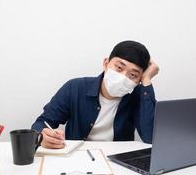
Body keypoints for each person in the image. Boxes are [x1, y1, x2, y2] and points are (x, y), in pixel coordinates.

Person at [31, 40, 159, 149]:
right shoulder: (75, 87)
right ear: (105, 64)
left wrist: (147, 80)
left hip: (118, 162)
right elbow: (43, 121)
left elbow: (150, 137)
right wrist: (41, 136)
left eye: (133, 75)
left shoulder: (137, 97)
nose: (122, 77)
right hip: (76, 158)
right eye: (119, 67)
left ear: (139, 80)